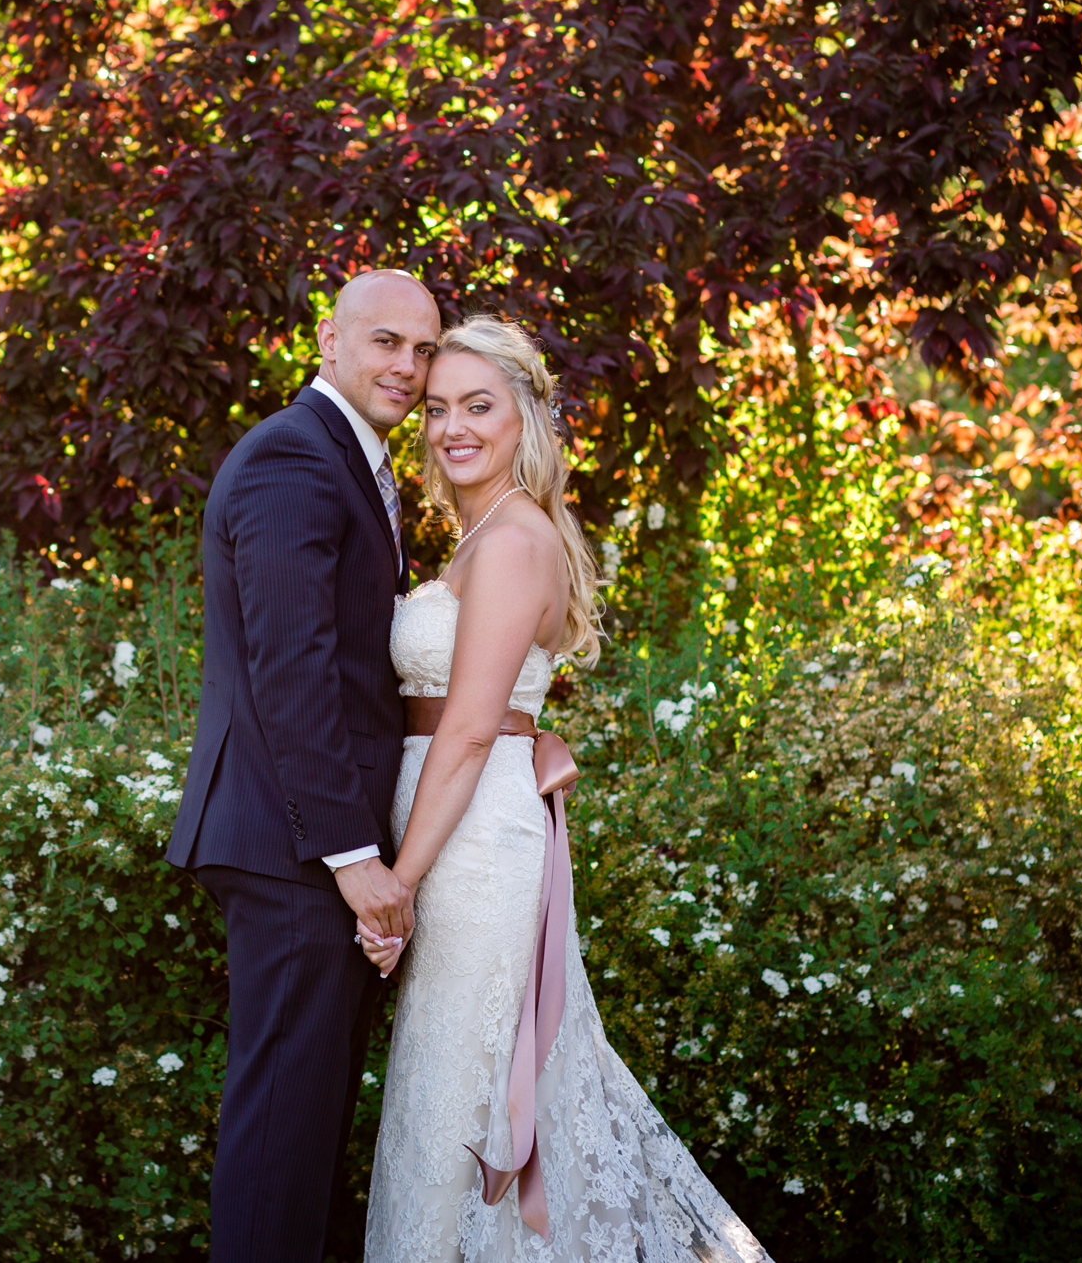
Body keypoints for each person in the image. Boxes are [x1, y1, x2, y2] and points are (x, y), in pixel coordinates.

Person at [359, 315, 771, 1261]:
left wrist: (399, 884)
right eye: (436, 408)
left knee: (460, 1102)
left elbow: (464, 732)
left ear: (525, 420)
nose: (451, 426)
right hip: (455, 841)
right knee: (456, 1094)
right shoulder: (481, 534)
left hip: (468, 852)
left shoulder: (510, 542)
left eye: (477, 405)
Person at [166, 268, 441, 1262]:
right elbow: (291, 674)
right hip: (294, 848)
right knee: (282, 1132)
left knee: (306, 1131)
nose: (406, 368)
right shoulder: (293, 457)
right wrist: (351, 858)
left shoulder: (351, 462)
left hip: (302, 844)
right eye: (385, 343)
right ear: (327, 340)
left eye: (422, 350)